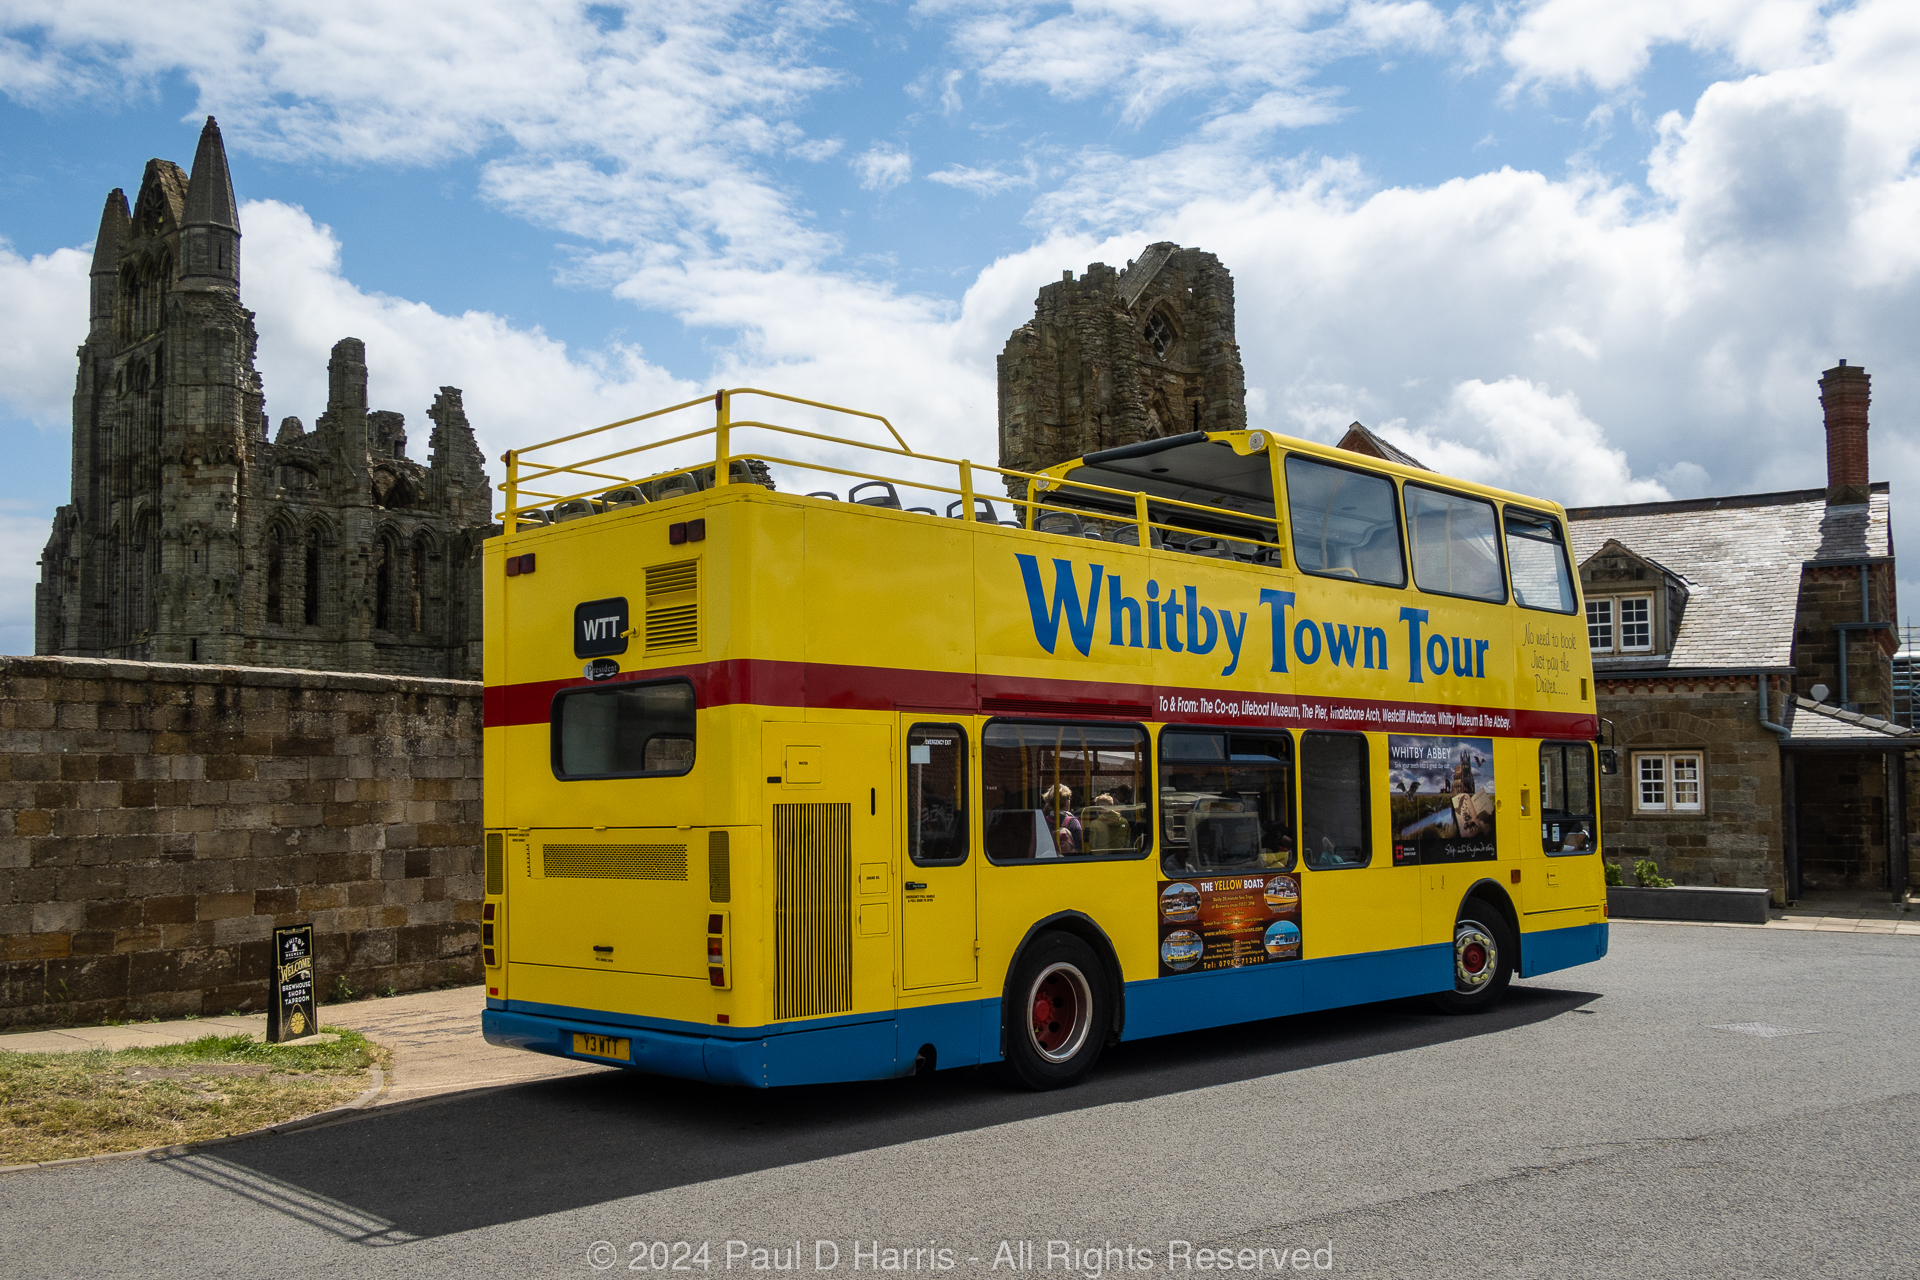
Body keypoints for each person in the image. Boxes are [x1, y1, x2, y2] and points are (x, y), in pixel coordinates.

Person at [1043, 783, 1083, 855]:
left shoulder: (1044, 822)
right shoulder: (1073, 822)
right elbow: (1080, 846)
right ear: (1066, 801)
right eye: (1069, 798)